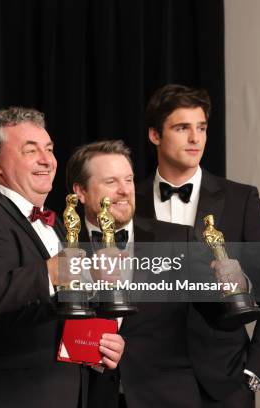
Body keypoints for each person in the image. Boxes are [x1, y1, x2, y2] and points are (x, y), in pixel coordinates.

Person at [135, 84, 260, 407]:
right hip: (144, 382)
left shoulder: (241, 199)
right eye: (182, 128)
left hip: (225, 383)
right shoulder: (126, 202)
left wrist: (255, 369)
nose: (195, 139)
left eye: (201, 128)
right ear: (155, 135)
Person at [0, 107, 125, 408]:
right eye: (31, 151)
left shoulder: (56, 222)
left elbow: (63, 307)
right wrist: (51, 273)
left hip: (69, 392)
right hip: (19, 395)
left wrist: (99, 344)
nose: (47, 160)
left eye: (49, 149)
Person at [66, 139, 212, 408]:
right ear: (81, 192)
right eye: (111, 182)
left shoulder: (177, 239)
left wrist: (235, 286)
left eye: (129, 180)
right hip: (90, 396)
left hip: (165, 397)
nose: (124, 191)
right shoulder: (60, 243)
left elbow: (220, 317)